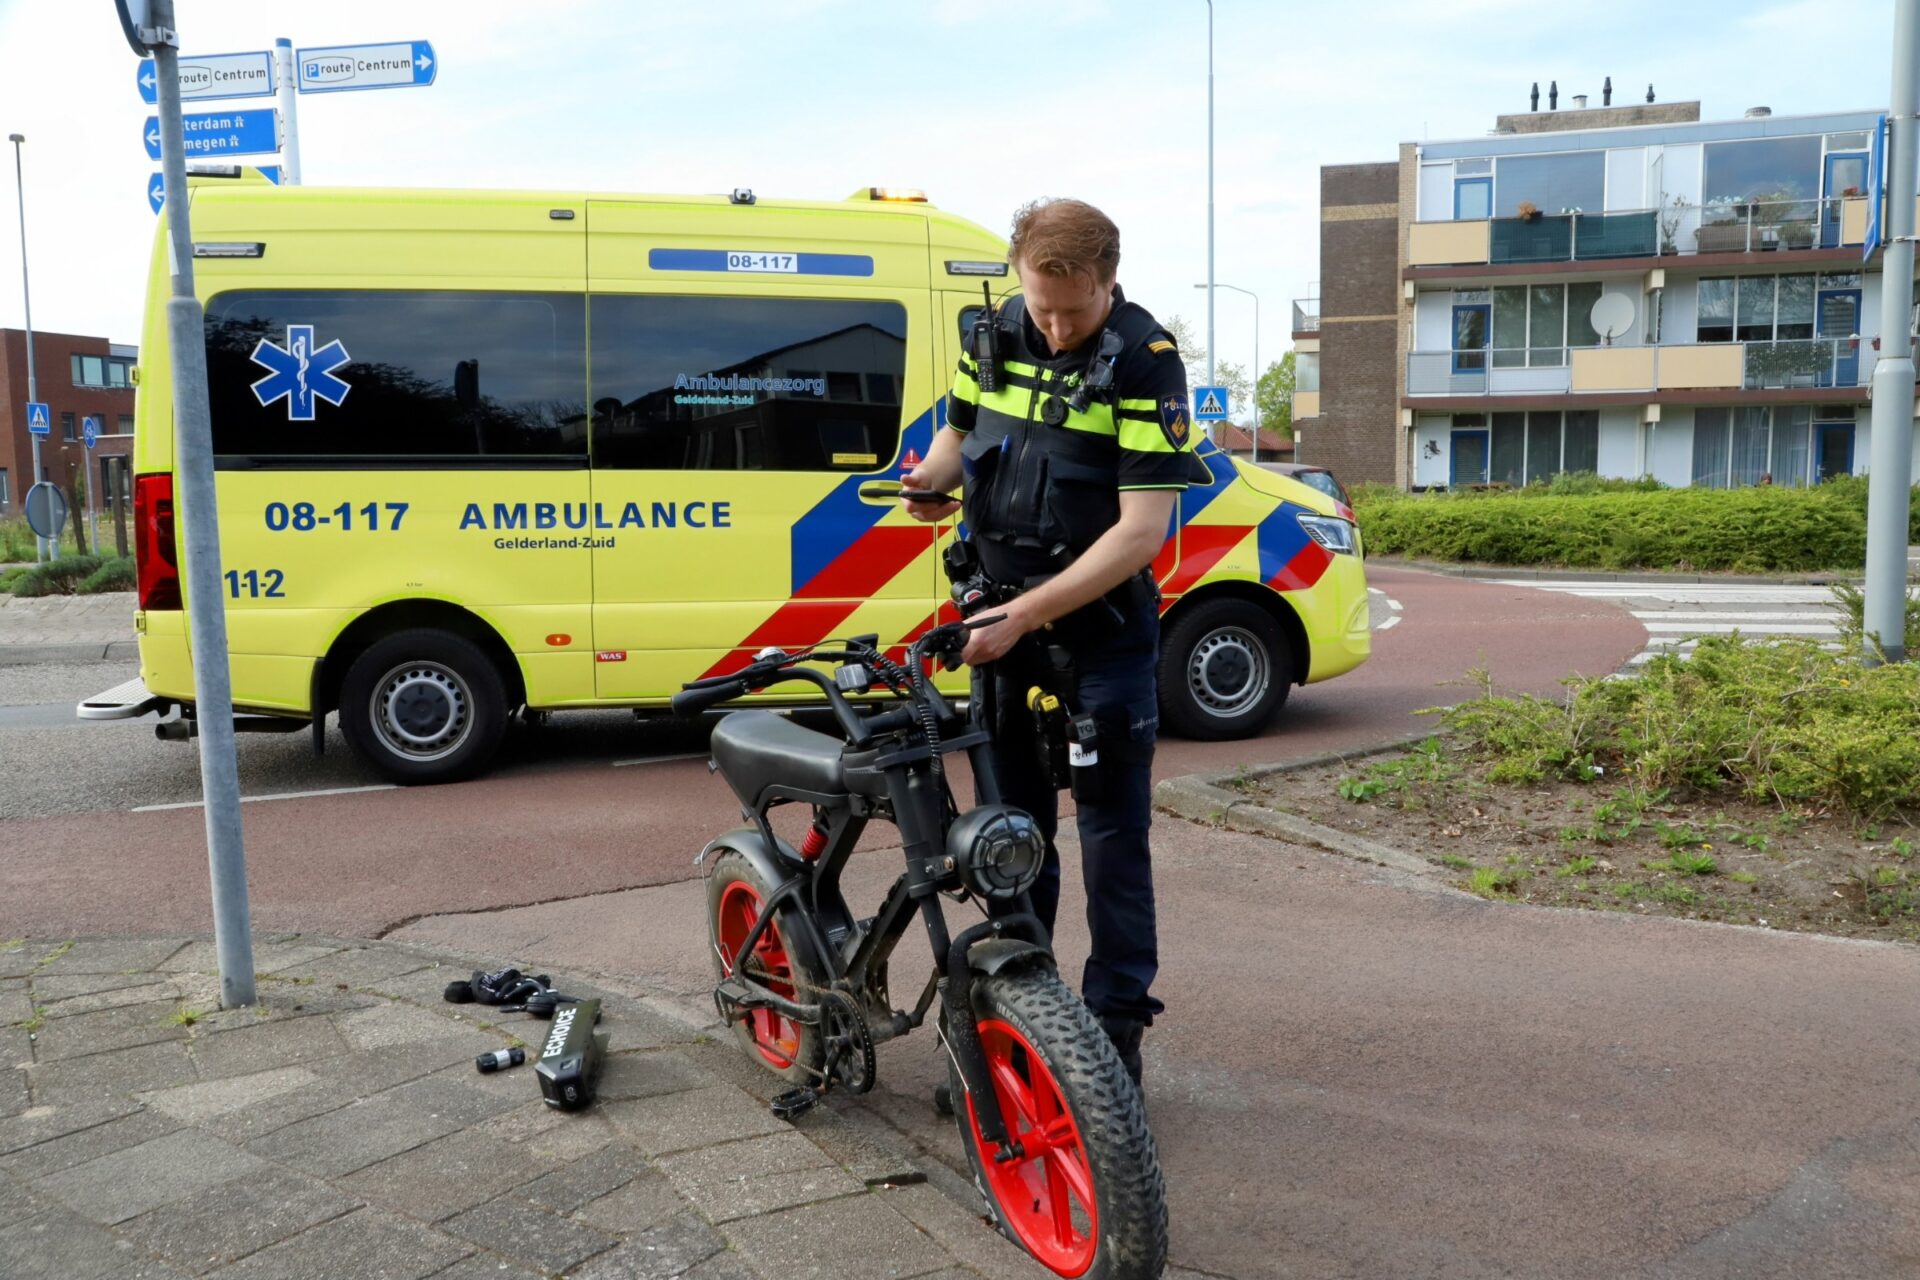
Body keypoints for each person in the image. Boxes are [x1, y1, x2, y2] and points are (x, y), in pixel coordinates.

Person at [901, 197, 1195, 1086]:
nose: (1058, 327)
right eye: (1042, 307)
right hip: (1001, 625)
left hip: (1098, 637)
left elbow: (1142, 534)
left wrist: (1028, 613)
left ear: (1111, 279)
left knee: (1113, 840)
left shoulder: (1146, 363)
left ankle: (1113, 1043)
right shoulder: (991, 332)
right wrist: (928, 480)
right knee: (1011, 834)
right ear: (1019, 281)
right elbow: (961, 431)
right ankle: (1027, 1023)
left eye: (1076, 308)